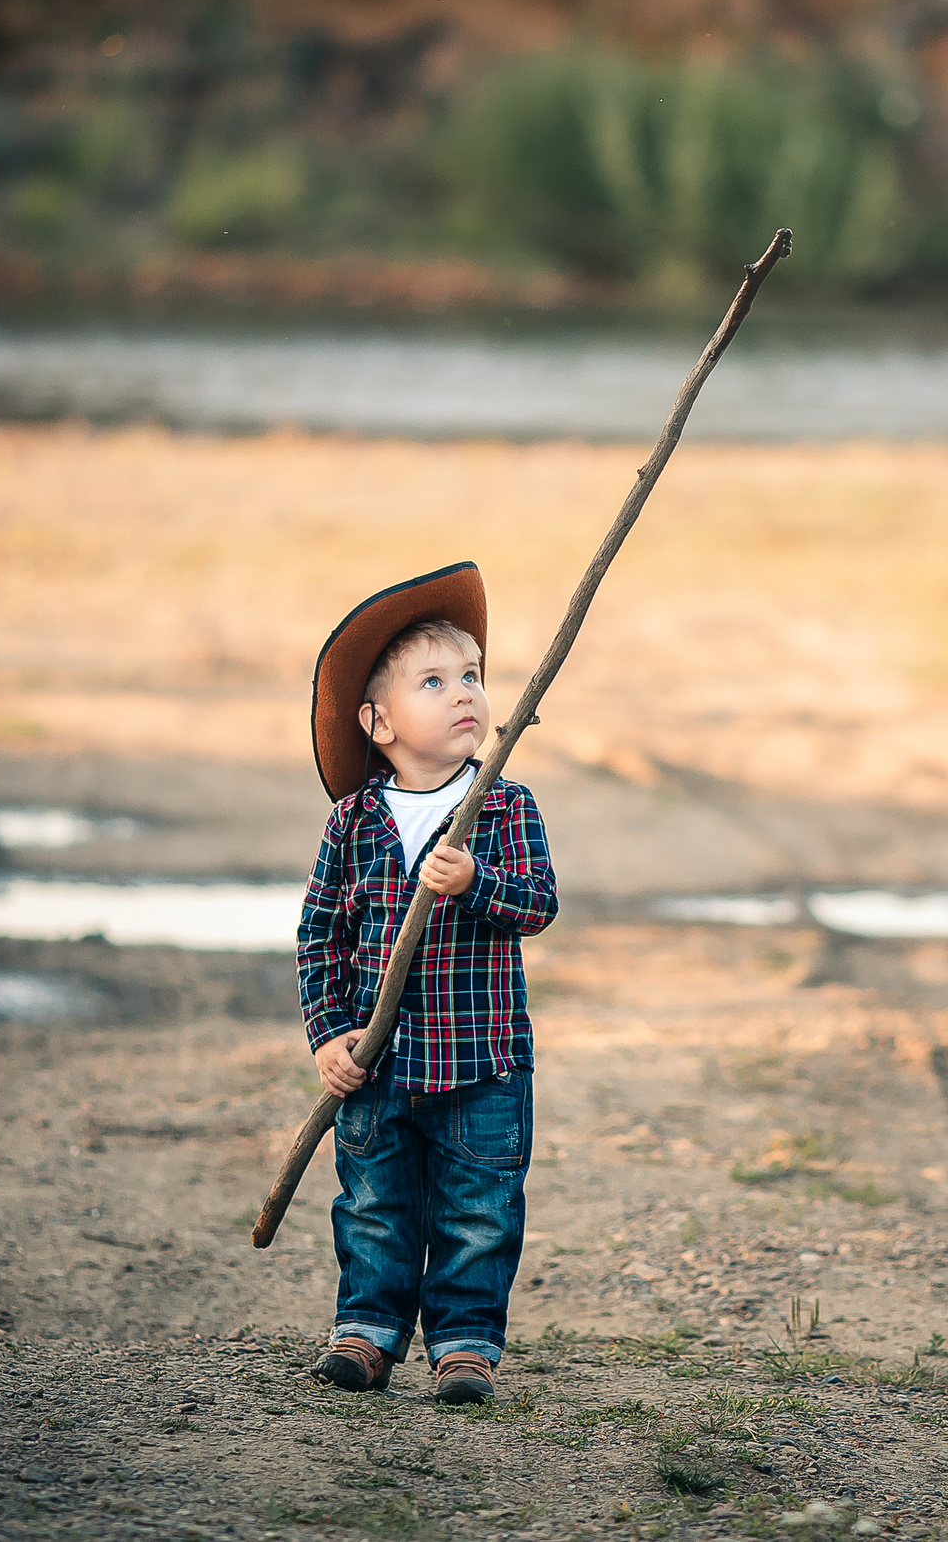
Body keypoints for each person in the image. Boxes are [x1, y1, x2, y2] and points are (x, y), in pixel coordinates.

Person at [295, 562, 556, 1403]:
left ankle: (466, 1342)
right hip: (376, 1064)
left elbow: (539, 904)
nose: (464, 694)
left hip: (479, 1062)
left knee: (478, 1210)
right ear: (378, 722)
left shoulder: (501, 805)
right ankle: (367, 1332)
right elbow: (319, 937)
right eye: (435, 681)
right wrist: (331, 1035)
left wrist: (474, 879)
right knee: (374, 1204)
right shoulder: (355, 820)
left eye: (473, 675)